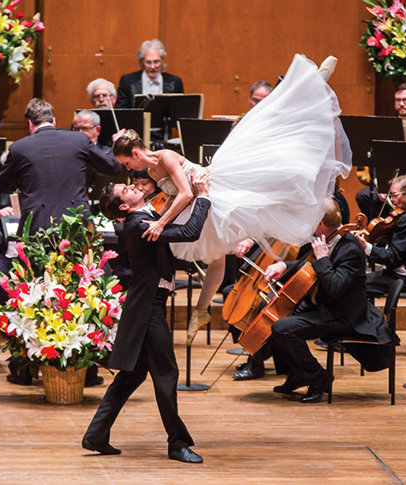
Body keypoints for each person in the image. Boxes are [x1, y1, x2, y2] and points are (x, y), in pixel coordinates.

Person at [111, 53, 350, 345]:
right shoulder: (149, 168)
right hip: (206, 203)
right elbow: (178, 195)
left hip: (219, 186)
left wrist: (161, 222)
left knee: (270, 138)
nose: (128, 169)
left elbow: (186, 192)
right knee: (216, 258)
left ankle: (315, 81)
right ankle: (201, 311)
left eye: (126, 162)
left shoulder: (166, 156)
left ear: (135, 153)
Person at [0, 98, 121, 383]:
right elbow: (113, 167)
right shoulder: (79, 141)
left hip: (38, 230)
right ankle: (88, 369)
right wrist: (116, 145)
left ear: (30, 125)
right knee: (84, 291)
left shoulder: (20, 147)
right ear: (55, 120)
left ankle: (24, 370)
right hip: (78, 227)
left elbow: (3, 185)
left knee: (35, 295)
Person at [82, 173, 211, 463]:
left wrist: (186, 264)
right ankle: (177, 444)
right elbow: (188, 232)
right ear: (124, 206)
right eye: (125, 189)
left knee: (132, 375)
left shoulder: (147, 216)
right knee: (166, 373)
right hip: (148, 308)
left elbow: (158, 255)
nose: (131, 186)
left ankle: (96, 435)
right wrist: (203, 197)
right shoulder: (140, 223)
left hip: (149, 303)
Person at [266, 198, 391, 403]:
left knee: (283, 327)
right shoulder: (327, 237)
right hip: (323, 305)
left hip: (342, 314)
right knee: (271, 308)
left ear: (321, 223)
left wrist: (323, 258)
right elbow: (306, 264)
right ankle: (298, 373)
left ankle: (318, 378)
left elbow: (335, 287)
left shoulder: (350, 248)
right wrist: (284, 266)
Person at [355, 175, 406, 341]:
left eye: (394, 195)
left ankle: (373, 332)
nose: (390, 199)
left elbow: (392, 258)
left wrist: (366, 247)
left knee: (354, 285)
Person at [356, 83, 406, 220]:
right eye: (398, 100)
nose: (401, 104)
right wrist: (380, 182)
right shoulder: (387, 127)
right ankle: (382, 233)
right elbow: (379, 156)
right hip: (390, 180)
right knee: (364, 196)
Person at [115, 39, 184, 109]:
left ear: (162, 61)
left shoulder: (175, 82)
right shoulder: (127, 81)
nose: (152, 67)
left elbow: (179, 110)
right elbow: (121, 111)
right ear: (142, 62)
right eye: (148, 62)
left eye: (156, 62)